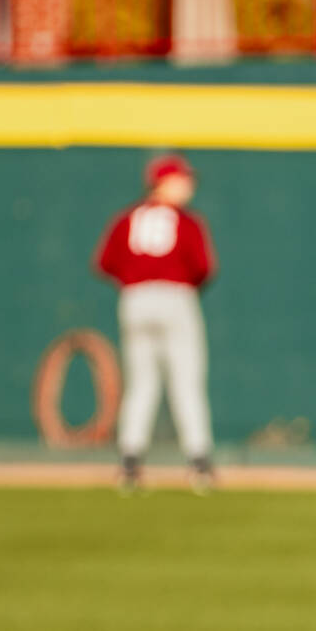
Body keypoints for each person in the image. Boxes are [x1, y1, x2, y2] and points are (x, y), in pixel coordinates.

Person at [94, 153, 218, 495]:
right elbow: (204, 268)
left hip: (134, 299)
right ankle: (200, 463)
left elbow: (105, 263)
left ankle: (130, 463)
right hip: (176, 296)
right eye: (181, 178)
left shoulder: (126, 218)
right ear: (162, 182)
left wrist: (137, 278)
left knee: (141, 384)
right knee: (186, 382)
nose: (188, 184)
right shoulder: (186, 221)